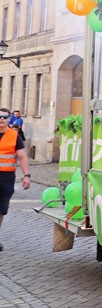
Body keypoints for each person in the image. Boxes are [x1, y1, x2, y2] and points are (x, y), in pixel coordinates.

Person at [0, 108, 31, 252]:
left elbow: (22, 157)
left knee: (1, 209)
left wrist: (26, 176)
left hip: (6, 177)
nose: (1, 119)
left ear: (9, 119)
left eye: (4, 116)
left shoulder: (14, 136)